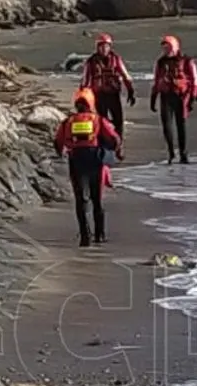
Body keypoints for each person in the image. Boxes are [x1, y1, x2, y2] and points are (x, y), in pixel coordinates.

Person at [54, 88, 122, 247]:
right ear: (91, 103)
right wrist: (114, 151)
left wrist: (61, 153)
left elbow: (58, 143)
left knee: (81, 200)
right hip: (95, 160)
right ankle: (100, 235)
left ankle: (85, 236)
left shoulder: (68, 122)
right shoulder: (98, 120)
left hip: (76, 160)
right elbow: (114, 138)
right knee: (97, 199)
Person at [150, 35, 197, 164]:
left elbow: (194, 80)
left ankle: (183, 153)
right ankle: (171, 152)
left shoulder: (186, 60)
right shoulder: (160, 62)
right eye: (164, 47)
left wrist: (193, 97)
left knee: (181, 125)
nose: (166, 50)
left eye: (169, 47)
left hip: (182, 97)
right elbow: (156, 80)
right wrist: (153, 97)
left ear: (175, 47)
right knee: (167, 126)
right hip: (166, 96)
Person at [80, 33, 135, 137]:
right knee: (101, 121)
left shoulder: (116, 59)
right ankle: (104, 146)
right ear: (97, 47)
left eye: (106, 46)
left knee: (118, 121)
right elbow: (85, 81)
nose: (104, 49)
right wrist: (83, 98)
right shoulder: (91, 61)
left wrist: (130, 91)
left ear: (110, 47)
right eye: (101, 46)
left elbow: (125, 75)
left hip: (113, 95)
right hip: (99, 96)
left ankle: (118, 146)